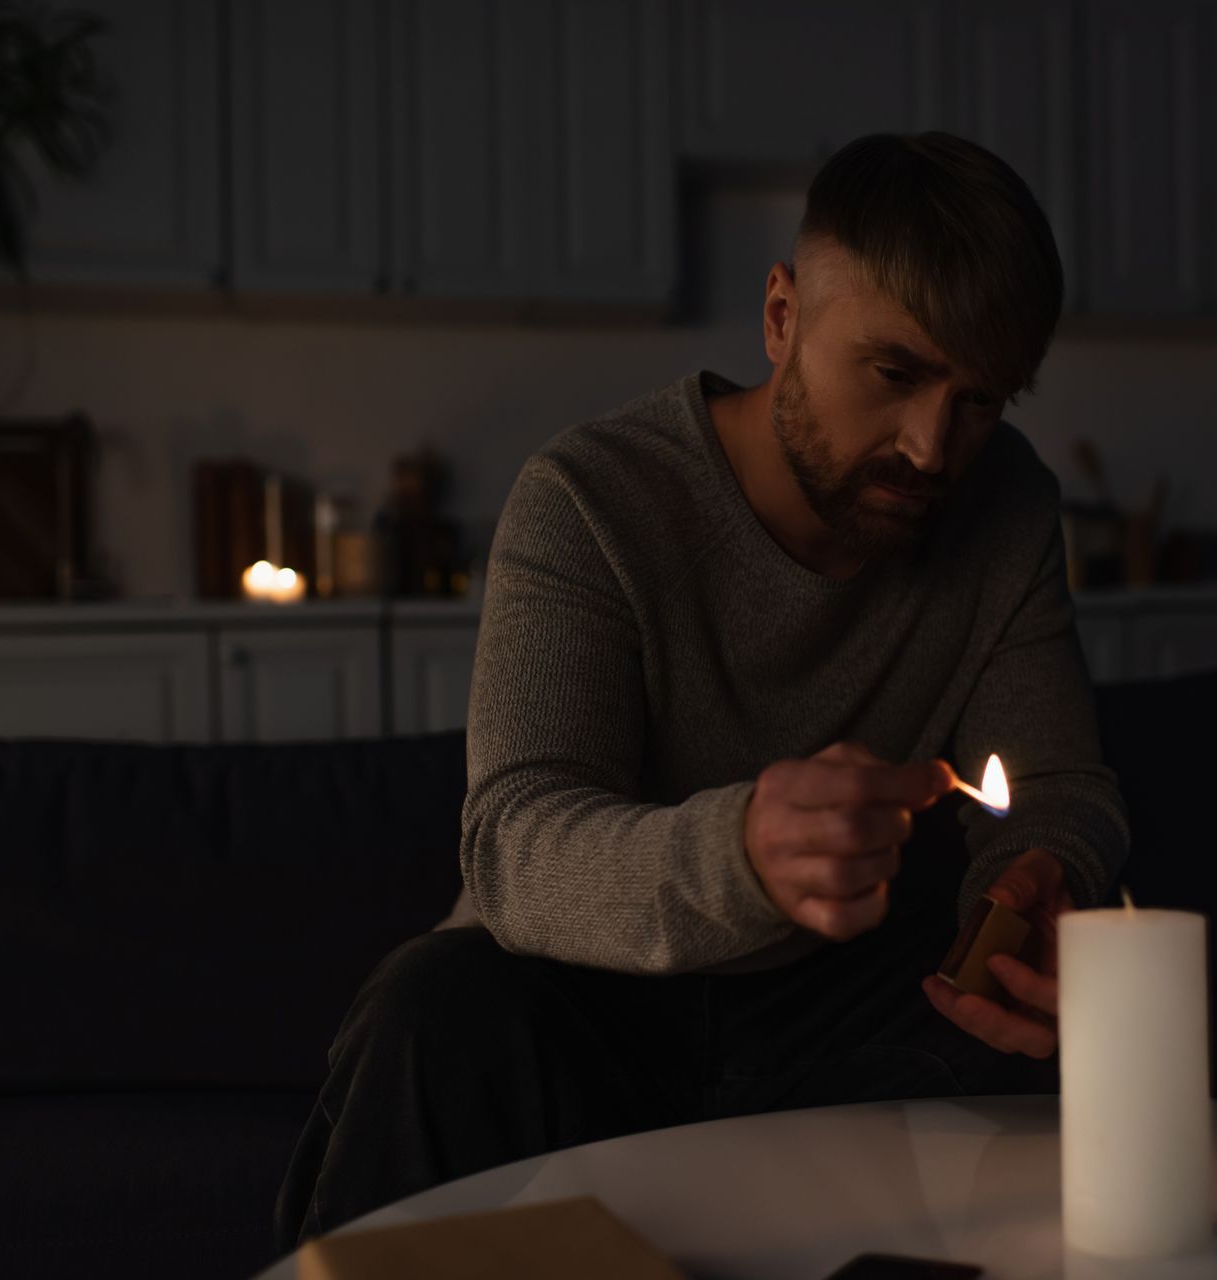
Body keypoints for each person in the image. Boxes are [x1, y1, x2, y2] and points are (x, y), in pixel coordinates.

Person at [274, 131, 1129, 1248]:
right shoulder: (591, 499)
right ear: (782, 317)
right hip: (596, 997)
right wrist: (743, 853)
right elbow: (515, 849)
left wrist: (1039, 894)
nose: (932, 446)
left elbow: (1062, 785)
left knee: (1077, 1035)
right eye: (896, 373)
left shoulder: (1005, 505)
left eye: (979, 399)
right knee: (432, 1010)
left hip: (842, 1004)